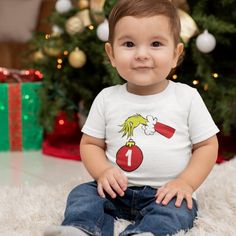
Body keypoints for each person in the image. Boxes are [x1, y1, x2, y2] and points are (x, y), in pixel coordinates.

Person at [44, 0, 219, 235]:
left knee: (178, 211)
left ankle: (147, 232)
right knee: (82, 194)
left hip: (165, 192)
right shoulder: (107, 99)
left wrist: (186, 183)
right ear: (111, 54)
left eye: (156, 44)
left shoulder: (187, 98)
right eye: (129, 44)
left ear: (176, 54)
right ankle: (81, 228)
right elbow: (90, 144)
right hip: (117, 190)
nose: (141, 55)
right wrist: (103, 172)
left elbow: (207, 145)